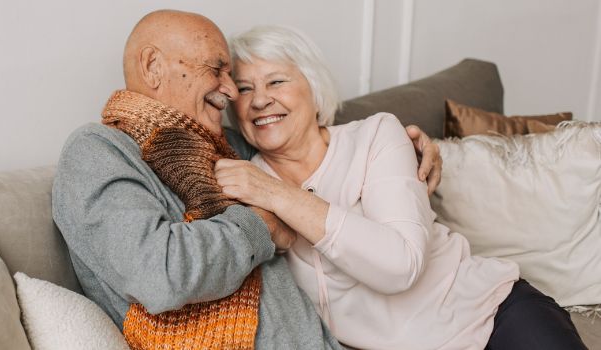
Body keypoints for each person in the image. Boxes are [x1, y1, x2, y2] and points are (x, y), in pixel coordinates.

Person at [53, 10, 441, 349]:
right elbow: (160, 274)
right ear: (153, 66)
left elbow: (307, 137)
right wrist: (263, 225)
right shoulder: (97, 152)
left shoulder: (226, 144)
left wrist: (414, 147)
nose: (229, 91)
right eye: (218, 71)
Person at [214, 25, 587, 349]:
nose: (259, 100)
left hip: (491, 314)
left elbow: (399, 266)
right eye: (244, 89)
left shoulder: (376, 135)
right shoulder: (244, 177)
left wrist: (277, 194)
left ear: (313, 87)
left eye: (276, 81)